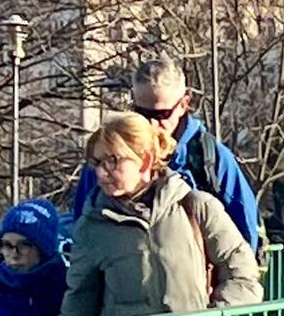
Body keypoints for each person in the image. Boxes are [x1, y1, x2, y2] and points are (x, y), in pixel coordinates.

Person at [59, 112, 263, 316]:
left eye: (112, 161)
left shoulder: (196, 207)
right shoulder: (92, 226)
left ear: (145, 161)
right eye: (97, 162)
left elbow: (242, 274)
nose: (101, 173)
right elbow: (78, 307)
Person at [70, 53, 262, 254]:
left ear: (183, 104)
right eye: (142, 113)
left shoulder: (212, 160)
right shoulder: (105, 160)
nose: (152, 123)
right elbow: (81, 234)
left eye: (162, 115)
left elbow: (246, 238)